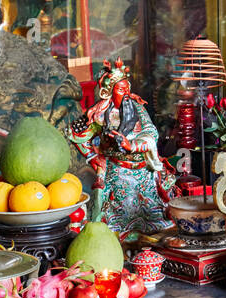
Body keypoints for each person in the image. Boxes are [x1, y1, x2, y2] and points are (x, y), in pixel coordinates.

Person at [67, 59, 176, 238]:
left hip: (144, 171)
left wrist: (131, 145)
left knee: (157, 219)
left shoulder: (138, 107)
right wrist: (92, 157)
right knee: (113, 221)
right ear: (109, 92)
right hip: (117, 171)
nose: (126, 94)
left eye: (127, 89)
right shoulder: (100, 113)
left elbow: (151, 133)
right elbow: (76, 134)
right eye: (120, 90)